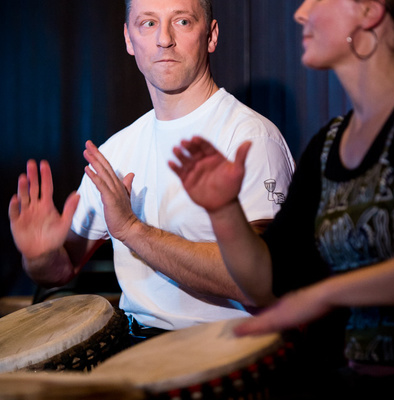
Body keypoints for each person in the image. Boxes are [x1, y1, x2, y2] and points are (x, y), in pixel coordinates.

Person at [8, 0, 295, 342]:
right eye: (148, 24)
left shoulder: (250, 138)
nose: (164, 39)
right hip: (135, 349)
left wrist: (131, 229)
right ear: (129, 39)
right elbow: (59, 271)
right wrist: (40, 255)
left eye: (183, 22)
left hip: (229, 353)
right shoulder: (118, 149)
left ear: (212, 35)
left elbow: (259, 285)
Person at [169, 0, 394, 397]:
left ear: (369, 11)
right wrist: (224, 209)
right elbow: (265, 283)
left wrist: (323, 294)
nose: (301, 12)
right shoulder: (327, 147)